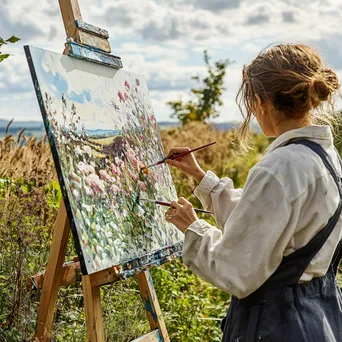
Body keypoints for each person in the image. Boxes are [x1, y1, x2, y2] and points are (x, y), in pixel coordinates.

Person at [164, 44, 342, 342]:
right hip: (318, 317)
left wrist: (193, 228)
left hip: (278, 324)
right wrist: (200, 176)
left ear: (261, 101)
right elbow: (267, 226)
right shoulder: (323, 157)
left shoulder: (279, 168)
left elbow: (236, 269)